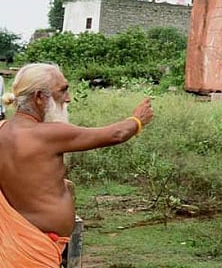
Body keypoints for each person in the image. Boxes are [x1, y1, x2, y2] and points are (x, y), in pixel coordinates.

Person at [0, 63, 154, 267]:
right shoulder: (47, 134)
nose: (69, 98)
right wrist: (138, 120)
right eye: (62, 90)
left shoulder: (3, 130)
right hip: (33, 249)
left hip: (18, 245)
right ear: (39, 97)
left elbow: (27, 177)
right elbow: (115, 134)